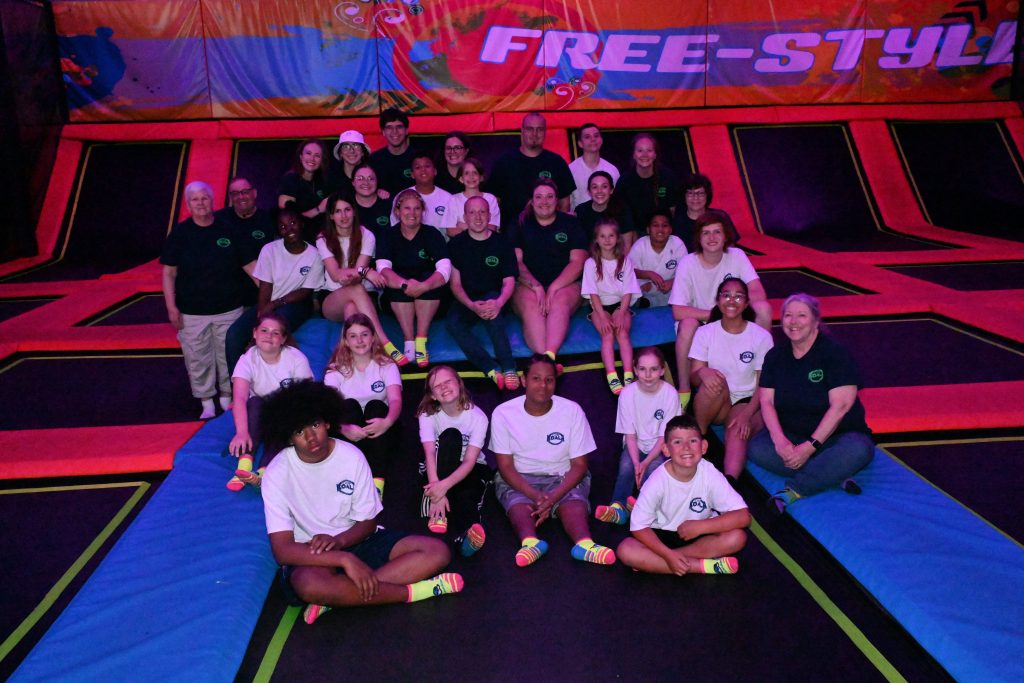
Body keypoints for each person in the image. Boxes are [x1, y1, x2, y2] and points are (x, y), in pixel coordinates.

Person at [260, 379, 462, 625]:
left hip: (355, 539)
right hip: (312, 553)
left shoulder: (351, 457)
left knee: (437, 551)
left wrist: (340, 542)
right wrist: (344, 559)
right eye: (300, 432)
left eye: (315, 425)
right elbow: (282, 551)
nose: (311, 437)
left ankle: (339, 596)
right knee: (309, 585)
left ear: (327, 422)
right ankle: (413, 592)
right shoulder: (277, 473)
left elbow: (368, 523)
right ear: (289, 438)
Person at [746, 293, 874, 513]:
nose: (793, 321)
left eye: (802, 315)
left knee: (858, 449)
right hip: (793, 435)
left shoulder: (834, 354)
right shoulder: (775, 356)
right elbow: (766, 402)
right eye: (788, 315)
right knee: (757, 449)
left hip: (837, 437)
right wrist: (780, 442)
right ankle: (833, 473)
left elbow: (841, 406)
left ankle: (795, 490)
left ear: (816, 321)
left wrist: (810, 447)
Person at [489, 354, 616, 567]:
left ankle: (584, 544)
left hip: (562, 475)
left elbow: (579, 465)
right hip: (520, 477)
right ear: (524, 380)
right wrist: (535, 495)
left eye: (549, 380)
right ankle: (530, 543)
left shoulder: (572, 410)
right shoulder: (503, 413)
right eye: (536, 379)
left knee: (574, 501)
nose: (543, 385)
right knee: (517, 502)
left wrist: (553, 497)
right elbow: (505, 466)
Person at [161, 181, 253, 419]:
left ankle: (227, 395)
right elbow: (169, 273)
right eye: (195, 199)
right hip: (192, 311)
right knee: (197, 357)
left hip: (229, 309)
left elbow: (250, 266)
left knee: (227, 354)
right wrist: (171, 307)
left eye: (205, 198)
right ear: (187, 204)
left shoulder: (228, 230)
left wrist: (271, 294)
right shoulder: (180, 234)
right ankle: (206, 401)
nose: (200, 203)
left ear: (213, 201)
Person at [616, 415, 749, 575]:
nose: (686, 447)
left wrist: (701, 526)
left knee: (737, 537)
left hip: (697, 535)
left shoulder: (709, 473)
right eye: (677, 442)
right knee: (625, 550)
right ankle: (701, 566)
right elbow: (638, 527)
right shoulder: (657, 481)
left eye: (693, 441)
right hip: (661, 535)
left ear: (703, 446)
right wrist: (667, 554)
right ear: (666, 449)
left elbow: (743, 516)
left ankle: (656, 562)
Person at [669, 209, 771, 411]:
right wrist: (718, 314)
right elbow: (678, 311)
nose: (712, 237)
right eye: (706, 232)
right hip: (705, 318)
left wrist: (735, 308)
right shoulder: (688, 263)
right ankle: (684, 387)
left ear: (726, 236)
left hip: (734, 314)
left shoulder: (737, 256)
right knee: (687, 325)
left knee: (764, 309)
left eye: (717, 232)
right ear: (698, 237)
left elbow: (758, 293)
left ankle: (764, 376)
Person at [689, 278, 774, 480]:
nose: (731, 300)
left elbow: (764, 385)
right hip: (719, 402)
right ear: (718, 301)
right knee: (713, 380)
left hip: (748, 400)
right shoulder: (705, 332)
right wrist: (702, 372)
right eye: (726, 295)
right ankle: (699, 437)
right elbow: (694, 379)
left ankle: (730, 483)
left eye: (738, 296)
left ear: (746, 303)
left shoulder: (761, 336)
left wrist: (747, 414)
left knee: (737, 430)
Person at [225, 207, 323, 373]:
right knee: (233, 335)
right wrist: (261, 314)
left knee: (275, 324)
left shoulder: (315, 254)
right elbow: (265, 286)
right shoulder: (269, 250)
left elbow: (305, 291)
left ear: (301, 224)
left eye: (293, 223)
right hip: (270, 302)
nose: (289, 229)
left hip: (298, 303)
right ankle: (238, 385)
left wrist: (276, 304)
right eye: (283, 226)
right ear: (278, 230)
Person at [316, 193, 408, 366]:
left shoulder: (367, 235)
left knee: (352, 306)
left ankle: (352, 358)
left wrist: (359, 272)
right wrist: (366, 271)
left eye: (347, 210)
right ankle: (384, 342)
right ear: (331, 216)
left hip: (363, 297)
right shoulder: (323, 238)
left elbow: (355, 278)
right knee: (356, 290)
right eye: (338, 211)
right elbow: (336, 275)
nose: (343, 216)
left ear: (354, 212)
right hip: (332, 298)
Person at [226, 312, 313, 491]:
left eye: (275, 333)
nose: (269, 336)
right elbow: (240, 398)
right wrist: (241, 433)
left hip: (287, 409)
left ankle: (264, 471)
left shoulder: (296, 358)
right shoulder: (247, 360)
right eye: (264, 330)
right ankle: (244, 465)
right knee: (255, 403)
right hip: (259, 411)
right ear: (254, 333)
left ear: (283, 339)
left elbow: (303, 397)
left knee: (284, 417)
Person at [594, 346, 680, 525]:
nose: (648, 375)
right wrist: (636, 463)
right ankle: (618, 507)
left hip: (660, 445)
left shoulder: (670, 394)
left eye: (653, 369)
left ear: (662, 370)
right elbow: (630, 436)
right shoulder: (627, 394)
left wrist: (645, 462)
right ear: (635, 369)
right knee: (626, 467)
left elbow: (664, 437)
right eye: (642, 369)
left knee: (653, 469)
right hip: (636, 443)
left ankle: (643, 506)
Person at [507, 179, 587, 366]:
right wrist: (536, 286)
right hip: (526, 284)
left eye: (550, 196)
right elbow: (516, 262)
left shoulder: (571, 223)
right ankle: (544, 363)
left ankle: (547, 360)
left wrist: (553, 288)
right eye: (539, 197)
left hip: (565, 284)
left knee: (559, 301)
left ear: (557, 200)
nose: (544, 201)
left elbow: (578, 262)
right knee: (533, 306)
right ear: (532, 200)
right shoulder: (519, 223)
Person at [323, 313, 403, 499]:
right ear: (346, 341)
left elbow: (396, 400)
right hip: (350, 431)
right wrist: (344, 428)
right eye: (353, 336)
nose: (359, 341)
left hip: (380, 430)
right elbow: (326, 408)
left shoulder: (387, 365)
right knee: (348, 405)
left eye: (364, 334)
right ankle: (353, 480)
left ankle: (377, 483)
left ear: (373, 337)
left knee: (376, 405)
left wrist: (387, 422)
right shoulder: (335, 369)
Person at [417, 366, 493, 557]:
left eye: (448, 381)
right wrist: (437, 489)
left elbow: (469, 461)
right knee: (451, 436)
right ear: (432, 395)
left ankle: (467, 536)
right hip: (439, 464)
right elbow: (429, 452)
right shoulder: (427, 415)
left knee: (466, 496)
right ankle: (436, 507)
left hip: (470, 467)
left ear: (459, 384)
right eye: (437, 386)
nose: (443, 387)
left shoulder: (478, 417)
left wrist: (443, 488)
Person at [446, 196, 519, 389]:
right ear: (465, 217)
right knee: (453, 324)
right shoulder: (455, 245)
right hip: (467, 300)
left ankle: (509, 367)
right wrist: (471, 305)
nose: (477, 217)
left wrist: (499, 303)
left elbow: (509, 281)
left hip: (495, 297)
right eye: (472, 212)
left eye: (482, 212)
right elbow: (455, 284)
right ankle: (491, 368)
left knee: (493, 313)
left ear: (489, 215)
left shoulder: (503, 243)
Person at [376, 189, 451, 367]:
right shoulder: (388, 235)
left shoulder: (432, 234)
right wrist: (404, 285)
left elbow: (445, 270)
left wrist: (424, 286)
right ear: (397, 211)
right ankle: (409, 342)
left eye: (417, 208)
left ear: (423, 211)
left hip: (432, 300)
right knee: (398, 280)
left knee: (428, 278)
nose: (412, 213)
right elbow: (383, 269)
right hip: (397, 298)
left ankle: (421, 341)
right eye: (407, 208)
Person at [581, 218, 640, 395]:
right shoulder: (591, 263)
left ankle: (628, 374)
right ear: (596, 239)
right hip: (599, 306)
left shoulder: (625, 262)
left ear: (617, 238)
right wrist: (602, 315)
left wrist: (622, 312)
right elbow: (593, 294)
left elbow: (628, 291)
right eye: (602, 236)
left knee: (622, 333)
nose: (607, 240)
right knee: (607, 335)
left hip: (620, 305)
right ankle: (612, 375)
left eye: (611, 236)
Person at [488, 112, 575, 231]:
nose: (535, 134)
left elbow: (564, 203)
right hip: (512, 233)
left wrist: (559, 229)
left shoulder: (557, 162)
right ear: (522, 130)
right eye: (530, 129)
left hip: (548, 234)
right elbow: (493, 200)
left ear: (545, 132)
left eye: (539, 129)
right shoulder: (504, 161)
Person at [617, 132, 681, 231]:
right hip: (635, 233)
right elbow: (621, 216)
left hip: (662, 232)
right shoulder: (625, 181)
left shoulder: (667, 177)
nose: (645, 155)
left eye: (649, 150)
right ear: (633, 155)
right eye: (640, 151)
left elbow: (674, 210)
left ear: (655, 155)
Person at [215, 176, 275, 280]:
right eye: (235, 193)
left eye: (245, 192)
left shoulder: (269, 220)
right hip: (225, 284)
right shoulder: (218, 220)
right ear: (230, 197)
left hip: (258, 284)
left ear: (254, 193)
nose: (241, 197)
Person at [278, 138, 332, 241]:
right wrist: (318, 209)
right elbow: (289, 220)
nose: (312, 159)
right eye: (308, 153)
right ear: (301, 156)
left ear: (322, 160)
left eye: (317, 155)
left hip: (320, 238)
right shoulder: (290, 179)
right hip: (297, 240)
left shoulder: (322, 181)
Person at [629, 211, 686, 308]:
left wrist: (672, 282)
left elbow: (686, 272)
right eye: (655, 225)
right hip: (645, 289)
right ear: (648, 229)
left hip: (670, 289)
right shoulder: (640, 245)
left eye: (665, 225)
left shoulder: (677, 244)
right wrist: (649, 274)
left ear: (670, 229)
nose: (660, 229)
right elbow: (629, 270)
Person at [574, 170, 636, 250]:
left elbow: (626, 247)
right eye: (595, 187)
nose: (599, 191)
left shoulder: (623, 211)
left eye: (604, 186)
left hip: (616, 256)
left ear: (611, 190)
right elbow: (578, 245)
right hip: (588, 256)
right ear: (589, 191)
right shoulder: (580, 211)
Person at [390, 154, 451, 232]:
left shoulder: (448, 198)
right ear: (412, 174)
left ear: (435, 171)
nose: (423, 170)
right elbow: (395, 226)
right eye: (418, 167)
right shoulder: (402, 196)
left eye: (427, 166)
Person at [568, 123, 620, 212]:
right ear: (580, 143)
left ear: (601, 140)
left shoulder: (612, 170)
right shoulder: (571, 170)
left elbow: (617, 200)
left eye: (596, 136)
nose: (593, 139)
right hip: (579, 218)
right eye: (587, 137)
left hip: (607, 218)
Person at [443, 157, 500, 236]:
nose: (471, 176)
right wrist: (480, 228)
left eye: (475, 173)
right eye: (467, 173)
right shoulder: (453, 199)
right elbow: (450, 231)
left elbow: (492, 229)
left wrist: (465, 227)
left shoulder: (490, 199)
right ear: (461, 179)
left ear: (481, 177)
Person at [369, 108, 417, 196]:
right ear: (383, 132)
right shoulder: (374, 159)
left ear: (406, 130)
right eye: (389, 127)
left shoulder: (418, 158)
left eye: (399, 127)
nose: (395, 132)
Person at [671, 173, 716, 251]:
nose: (695, 197)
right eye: (690, 193)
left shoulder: (719, 218)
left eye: (700, 193)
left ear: (707, 195)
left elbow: (730, 248)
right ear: (684, 196)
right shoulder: (675, 223)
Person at [350, 162, 392, 239]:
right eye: (360, 179)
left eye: (371, 179)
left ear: (377, 181)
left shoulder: (389, 204)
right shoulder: (347, 206)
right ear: (353, 182)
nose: (366, 182)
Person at [328, 130, 372, 199]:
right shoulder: (331, 178)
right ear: (340, 153)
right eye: (346, 146)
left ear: (363, 152)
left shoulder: (373, 174)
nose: (351, 150)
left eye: (356, 145)